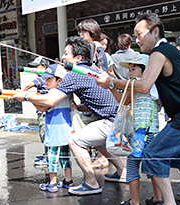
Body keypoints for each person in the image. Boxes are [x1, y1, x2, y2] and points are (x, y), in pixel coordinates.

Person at [97, 12, 180, 205]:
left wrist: (113, 82)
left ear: (155, 32)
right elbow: (131, 95)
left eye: (140, 34)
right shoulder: (165, 52)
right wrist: (112, 83)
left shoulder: (160, 52)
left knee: (154, 153)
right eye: (135, 35)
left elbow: (143, 86)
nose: (137, 39)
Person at [13, 36, 125, 195]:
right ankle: (122, 171)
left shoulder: (75, 74)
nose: (63, 57)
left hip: (111, 121)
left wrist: (25, 96)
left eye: (66, 53)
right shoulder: (90, 70)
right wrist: (79, 106)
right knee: (97, 141)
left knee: (74, 141)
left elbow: (51, 100)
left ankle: (91, 183)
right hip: (118, 118)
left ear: (78, 58)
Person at [105, 53, 162, 205]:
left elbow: (122, 101)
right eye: (129, 69)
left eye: (134, 69)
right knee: (152, 167)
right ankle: (157, 199)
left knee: (132, 166)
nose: (130, 73)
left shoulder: (135, 85)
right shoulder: (154, 85)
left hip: (137, 133)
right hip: (153, 131)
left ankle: (135, 202)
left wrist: (110, 85)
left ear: (144, 71)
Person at [33, 64, 74, 193]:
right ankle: (68, 180)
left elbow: (42, 108)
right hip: (66, 130)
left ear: (59, 80)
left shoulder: (52, 93)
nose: (45, 82)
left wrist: (29, 99)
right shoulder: (67, 93)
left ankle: (52, 183)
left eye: (49, 79)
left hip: (54, 132)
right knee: (65, 157)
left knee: (52, 158)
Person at [22, 56, 50, 165]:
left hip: (42, 110)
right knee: (47, 133)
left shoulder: (41, 77)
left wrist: (20, 92)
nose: (34, 69)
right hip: (48, 109)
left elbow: (28, 86)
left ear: (44, 67)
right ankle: (46, 154)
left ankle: (47, 157)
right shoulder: (49, 77)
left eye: (36, 66)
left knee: (44, 134)